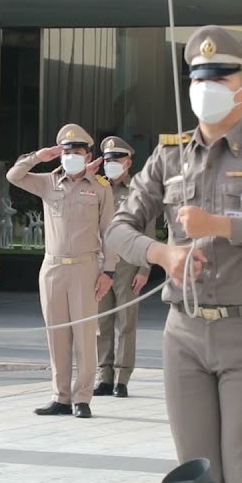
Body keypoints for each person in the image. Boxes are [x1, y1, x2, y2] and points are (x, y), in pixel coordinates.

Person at [107, 25, 242, 483]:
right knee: (197, 480)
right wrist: (163, 255)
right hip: (185, 331)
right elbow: (118, 228)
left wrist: (221, 225)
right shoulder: (170, 154)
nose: (206, 88)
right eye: (199, 77)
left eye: (219, 78)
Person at [8, 123, 116, 419]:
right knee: (56, 335)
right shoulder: (47, 181)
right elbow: (13, 176)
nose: (71, 156)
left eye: (77, 152)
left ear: (87, 153)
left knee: (84, 335)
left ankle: (83, 397)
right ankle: (61, 397)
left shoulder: (100, 188)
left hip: (85, 267)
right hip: (53, 267)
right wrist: (38, 157)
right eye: (66, 151)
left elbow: (110, 232)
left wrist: (109, 271)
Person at [93, 136, 150, 399]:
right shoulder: (96, 187)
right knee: (101, 322)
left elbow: (147, 230)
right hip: (101, 263)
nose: (111, 163)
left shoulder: (139, 189)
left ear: (128, 162)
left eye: (116, 159)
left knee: (126, 323)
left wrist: (144, 269)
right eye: (107, 159)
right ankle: (104, 375)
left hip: (128, 263)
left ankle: (122, 378)